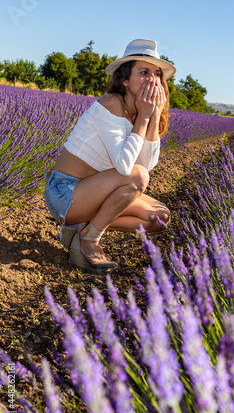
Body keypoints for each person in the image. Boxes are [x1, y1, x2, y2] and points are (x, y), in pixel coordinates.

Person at [44, 39, 177, 273]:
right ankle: (89, 238)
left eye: (156, 74)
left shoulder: (140, 113)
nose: (152, 80)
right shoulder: (111, 104)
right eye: (144, 72)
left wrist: (153, 116)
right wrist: (144, 118)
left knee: (159, 218)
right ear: (125, 80)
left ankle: (80, 229)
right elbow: (128, 169)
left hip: (94, 193)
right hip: (65, 193)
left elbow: (147, 164)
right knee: (136, 176)